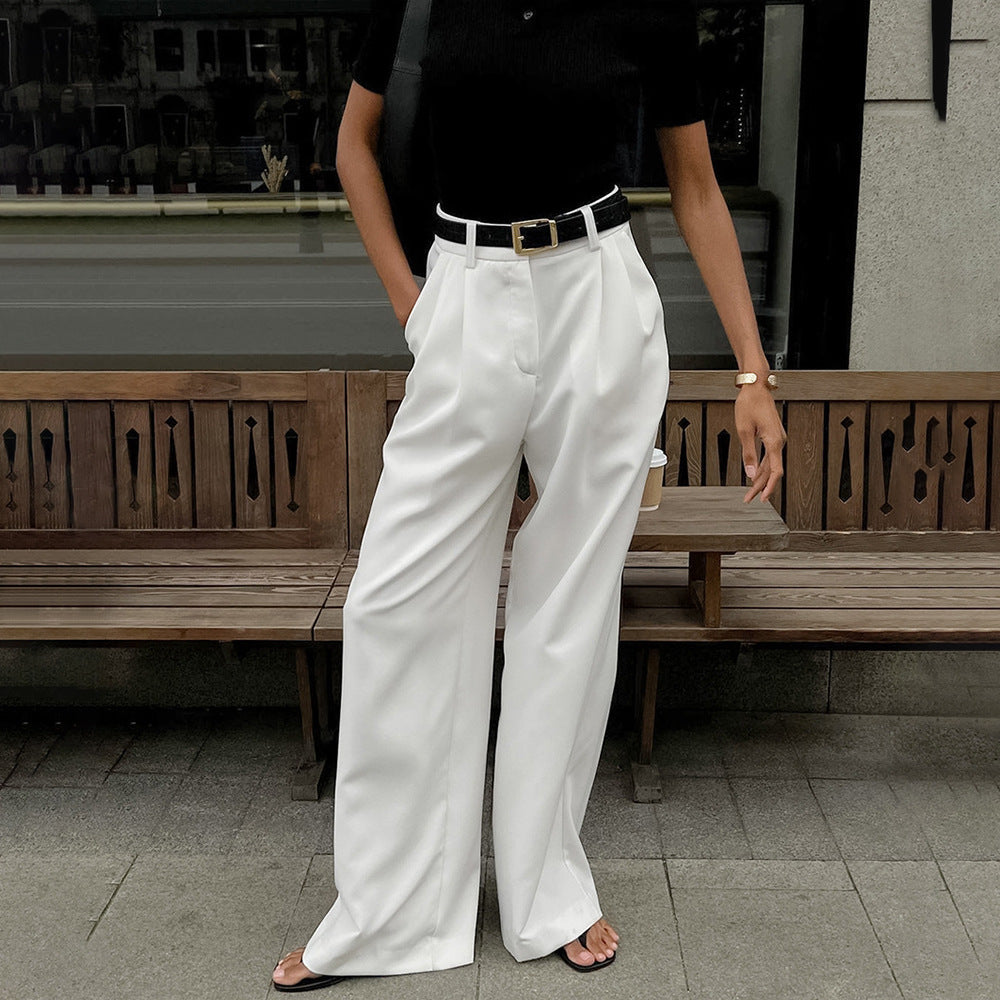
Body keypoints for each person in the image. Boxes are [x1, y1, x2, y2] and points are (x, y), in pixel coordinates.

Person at [272, 0, 787, 991]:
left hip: (595, 294)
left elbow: (696, 187)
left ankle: (547, 889)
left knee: (567, 611)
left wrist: (753, 373)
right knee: (394, 603)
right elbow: (352, 148)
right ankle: (389, 912)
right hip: (465, 287)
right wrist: (415, 310)